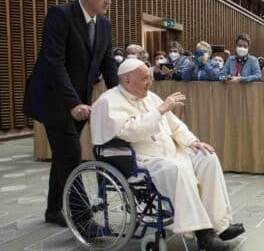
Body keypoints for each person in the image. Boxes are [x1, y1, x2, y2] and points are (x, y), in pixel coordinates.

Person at [90, 59, 244, 251]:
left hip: (171, 152)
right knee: (178, 169)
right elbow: (129, 131)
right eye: (145, 78)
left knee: (207, 156)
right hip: (141, 159)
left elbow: (174, 124)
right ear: (127, 80)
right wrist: (161, 109)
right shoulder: (108, 101)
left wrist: (193, 142)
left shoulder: (150, 96)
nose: (150, 82)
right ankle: (203, 234)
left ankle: (220, 225)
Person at [22, 0, 119, 227]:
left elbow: (108, 65)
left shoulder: (104, 24)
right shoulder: (60, 15)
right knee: (72, 154)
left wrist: (122, 98)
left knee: (64, 157)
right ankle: (83, 218)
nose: (108, 1)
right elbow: (53, 63)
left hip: (81, 102)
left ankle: (53, 210)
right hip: (55, 99)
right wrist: (73, 102)